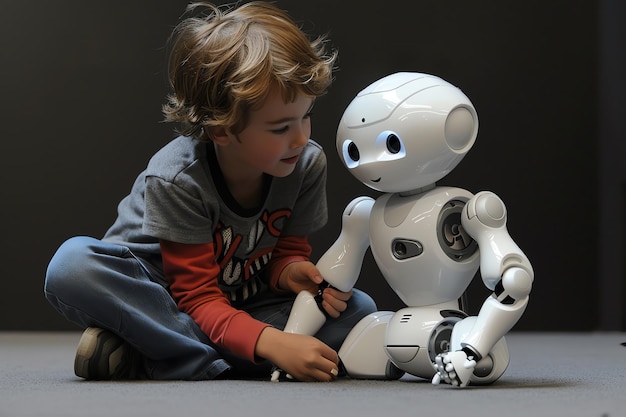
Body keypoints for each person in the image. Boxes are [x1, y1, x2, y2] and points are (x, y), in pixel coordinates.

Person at [43, 1, 376, 382]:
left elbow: (285, 252)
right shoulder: (178, 179)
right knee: (72, 266)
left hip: (240, 301)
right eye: (281, 128)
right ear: (221, 130)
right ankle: (213, 355)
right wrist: (272, 341)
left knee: (358, 309)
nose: (301, 138)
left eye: (306, 116)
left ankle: (157, 351)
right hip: (161, 298)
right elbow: (196, 296)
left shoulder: (304, 164)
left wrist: (290, 274)